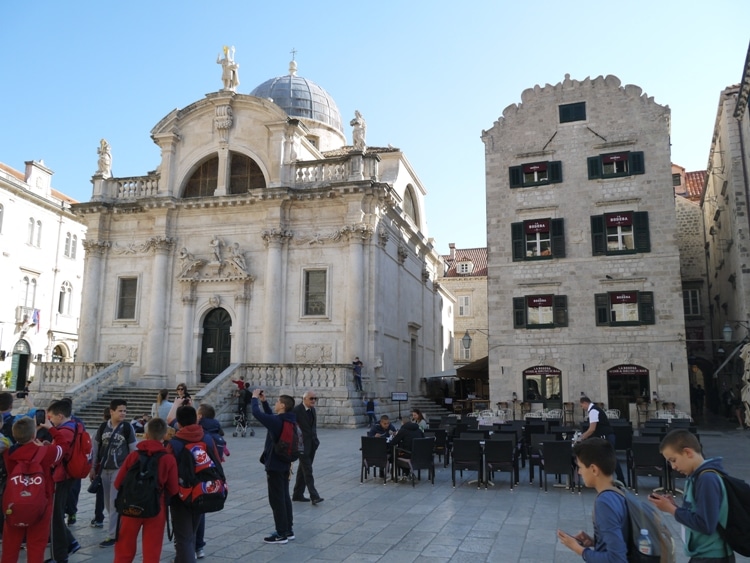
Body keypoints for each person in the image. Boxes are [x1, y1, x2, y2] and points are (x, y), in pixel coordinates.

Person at [649, 429, 734, 562]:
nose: (673, 466)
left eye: (673, 460)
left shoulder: (707, 479)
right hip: (703, 554)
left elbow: (706, 525)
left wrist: (672, 509)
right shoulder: (695, 477)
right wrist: (674, 507)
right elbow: (697, 514)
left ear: (688, 452)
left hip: (713, 556)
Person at [113, 417, 178, 563]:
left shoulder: (133, 456)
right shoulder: (168, 459)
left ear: (146, 434)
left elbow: (118, 484)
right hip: (156, 507)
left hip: (130, 505)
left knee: (124, 547)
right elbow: (173, 489)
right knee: (152, 550)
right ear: (164, 436)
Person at [1, 417, 63, 563]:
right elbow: (64, 447)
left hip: (14, 503)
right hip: (41, 502)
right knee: (36, 545)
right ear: (34, 435)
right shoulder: (47, 452)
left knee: (10, 547)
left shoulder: (8, 454)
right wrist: (51, 429)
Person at [556, 438, 628, 562]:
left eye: (580, 467)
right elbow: (620, 542)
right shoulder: (618, 491)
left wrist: (578, 548)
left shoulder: (604, 503)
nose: (579, 472)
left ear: (594, 469)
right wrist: (596, 542)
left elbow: (617, 559)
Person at [167, 405, 223, 563]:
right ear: (196, 419)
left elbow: (169, 472)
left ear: (179, 423)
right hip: (203, 491)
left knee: (183, 537)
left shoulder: (175, 443)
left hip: (181, 494)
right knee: (191, 532)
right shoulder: (206, 438)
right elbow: (217, 463)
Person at [251, 389, 296, 544]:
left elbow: (257, 414)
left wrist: (254, 398)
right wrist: (264, 402)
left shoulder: (278, 422)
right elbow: (271, 418)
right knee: (284, 497)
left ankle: (281, 533)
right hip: (285, 462)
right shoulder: (289, 419)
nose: (275, 403)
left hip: (275, 464)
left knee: (276, 500)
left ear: (282, 406)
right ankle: (288, 530)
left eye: (277, 402)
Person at [90, 398, 137, 548]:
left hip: (119, 469)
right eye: (120, 411)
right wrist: (92, 468)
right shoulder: (103, 427)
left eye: (125, 411)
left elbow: (133, 450)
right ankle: (118, 526)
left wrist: (131, 471)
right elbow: (95, 448)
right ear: (112, 411)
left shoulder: (127, 428)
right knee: (108, 503)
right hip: (104, 469)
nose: (123, 413)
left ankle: (113, 535)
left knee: (114, 501)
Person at [44, 399, 81, 563]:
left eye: (51, 417)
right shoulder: (73, 426)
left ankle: (60, 556)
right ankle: (70, 544)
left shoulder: (65, 431)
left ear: (60, 416)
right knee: (56, 515)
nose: (49, 420)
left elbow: (60, 454)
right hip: (67, 475)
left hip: (61, 476)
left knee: (55, 518)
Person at [195, 404, 228, 559]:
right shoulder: (216, 433)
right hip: (210, 479)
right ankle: (199, 546)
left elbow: (170, 420)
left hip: (196, 478)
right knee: (200, 513)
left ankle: (190, 547)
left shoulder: (201, 433)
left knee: (189, 514)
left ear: (200, 416)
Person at [578, 396, 625, 483]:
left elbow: (592, 429)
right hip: (606, 435)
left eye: (582, 405)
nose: (582, 408)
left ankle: (620, 479)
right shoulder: (594, 410)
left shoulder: (593, 411)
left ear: (585, 403)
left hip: (606, 436)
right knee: (607, 457)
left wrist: (581, 437)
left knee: (611, 457)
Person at [292, 390, 323, 505]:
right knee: (308, 470)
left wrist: (316, 441)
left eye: (315, 398)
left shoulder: (312, 410)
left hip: (312, 444)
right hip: (301, 446)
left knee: (303, 469)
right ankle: (314, 496)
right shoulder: (296, 410)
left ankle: (297, 494)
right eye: (311, 398)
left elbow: (312, 427)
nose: (314, 400)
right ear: (304, 399)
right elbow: (292, 427)